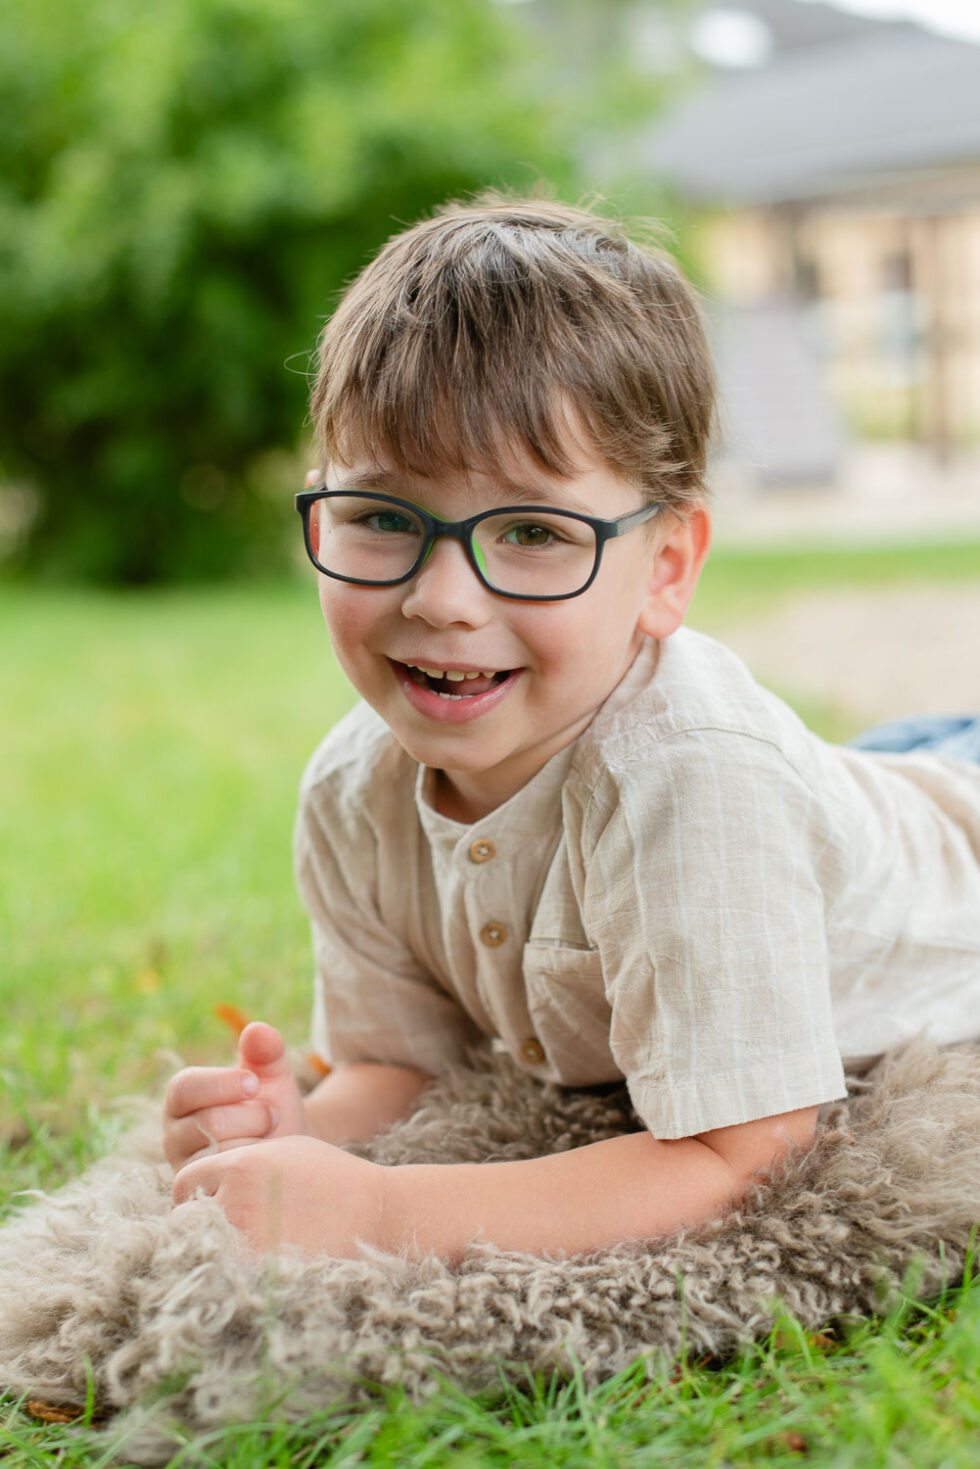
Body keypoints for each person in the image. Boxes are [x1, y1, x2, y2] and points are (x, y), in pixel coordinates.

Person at [165, 195, 980, 1260]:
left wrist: (376, 1212)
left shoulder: (691, 785)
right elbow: (404, 1069)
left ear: (667, 568)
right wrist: (299, 1138)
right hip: (862, 779)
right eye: (380, 515)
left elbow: (746, 1154)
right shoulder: (350, 790)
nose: (444, 598)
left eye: (535, 531)